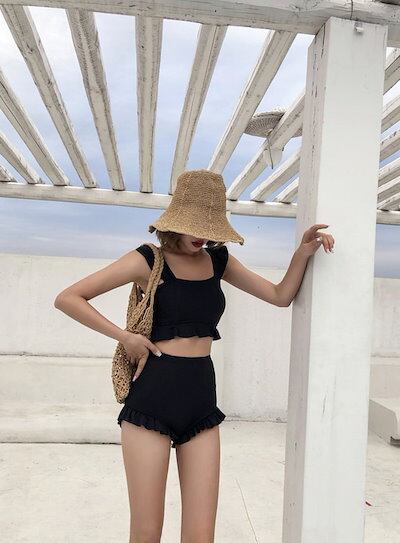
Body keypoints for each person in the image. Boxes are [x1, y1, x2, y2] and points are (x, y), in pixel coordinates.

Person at [54, 168, 334, 543]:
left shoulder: (219, 261)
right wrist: (126, 338)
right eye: (194, 226)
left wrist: (302, 253)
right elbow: (68, 298)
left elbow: (280, 296)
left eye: (209, 226)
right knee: (146, 532)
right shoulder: (147, 259)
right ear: (176, 220)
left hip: (201, 399)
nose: (202, 235)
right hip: (152, 399)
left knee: (202, 536)